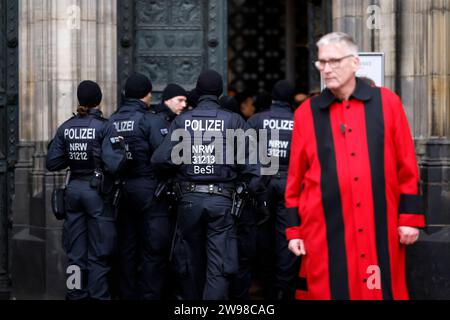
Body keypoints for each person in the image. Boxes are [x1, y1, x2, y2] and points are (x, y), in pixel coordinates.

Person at [286, 32, 425, 300]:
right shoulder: (306, 113)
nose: (327, 69)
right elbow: (296, 177)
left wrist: (409, 219)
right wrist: (294, 230)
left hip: (379, 227)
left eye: (334, 61)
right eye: (322, 62)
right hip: (324, 229)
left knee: (378, 290)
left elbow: (406, 163)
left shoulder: (387, 103)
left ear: (355, 63)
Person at [151, 69, 261, 300]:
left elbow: (160, 159)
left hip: (189, 201)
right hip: (222, 202)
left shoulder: (182, 121)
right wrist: (245, 189)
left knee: (190, 263)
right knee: (219, 266)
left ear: (199, 92)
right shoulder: (234, 120)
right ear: (219, 92)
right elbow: (256, 166)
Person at [46, 80, 126, 300]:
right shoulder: (105, 126)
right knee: (99, 253)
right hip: (97, 193)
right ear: (98, 100)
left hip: (73, 191)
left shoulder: (66, 127)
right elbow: (114, 164)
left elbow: (52, 162)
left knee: (75, 254)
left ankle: (76, 295)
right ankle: (99, 297)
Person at [108, 73, 166, 299]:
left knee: (126, 248)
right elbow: (164, 156)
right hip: (148, 190)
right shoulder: (151, 120)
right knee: (154, 249)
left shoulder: (111, 120)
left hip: (120, 190)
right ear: (146, 95)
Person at [245, 80, 300, 300]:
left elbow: (241, 151)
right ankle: (283, 291)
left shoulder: (257, 120)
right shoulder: (300, 122)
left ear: (272, 98)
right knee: (288, 237)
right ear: (291, 99)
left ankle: (264, 285)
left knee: (261, 234)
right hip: (291, 184)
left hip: (262, 184)